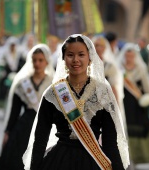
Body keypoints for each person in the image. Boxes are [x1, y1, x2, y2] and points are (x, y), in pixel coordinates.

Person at [23, 34, 130, 170]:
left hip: (93, 160)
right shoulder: (53, 93)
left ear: (90, 58)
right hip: (59, 161)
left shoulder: (102, 92)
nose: (76, 60)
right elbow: (40, 138)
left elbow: (110, 141)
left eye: (81, 55)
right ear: (63, 58)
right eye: (70, 55)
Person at [0, 44, 54, 170]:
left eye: (40, 60)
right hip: (24, 126)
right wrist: (8, 131)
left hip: (45, 126)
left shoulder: (53, 83)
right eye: (34, 60)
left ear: (47, 61)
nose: (37, 63)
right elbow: (14, 111)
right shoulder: (23, 83)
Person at [118, 43, 149, 164]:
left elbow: (148, 86)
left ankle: (143, 155)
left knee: (142, 126)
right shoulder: (119, 68)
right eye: (127, 54)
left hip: (138, 105)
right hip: (125, 103)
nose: (129, 56)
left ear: (135, 55)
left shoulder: (140, 68)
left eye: (131, 54)